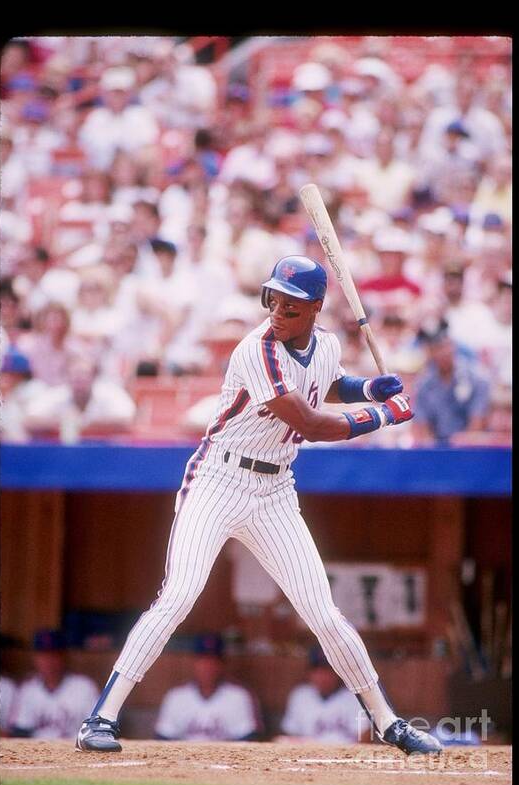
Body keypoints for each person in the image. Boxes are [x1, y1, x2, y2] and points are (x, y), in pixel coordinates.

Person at [76, 255, 442, 756]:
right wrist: (381, 414)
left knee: (323, 612)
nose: (278, 310)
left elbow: (327, 383)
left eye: (291, 304)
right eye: (274, 298)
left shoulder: (328, 343)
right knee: (179, 595)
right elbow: (312, 423)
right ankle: (101, 718)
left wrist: (366, 387)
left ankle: (388, 722)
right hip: (218, 479)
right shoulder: (257, 350)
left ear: (315, 308)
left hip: (274, 489)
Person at [153, 632, 262, 741]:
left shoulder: (238, 696)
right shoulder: (176, 697)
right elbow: (163, 739)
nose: (208, 666)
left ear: (223, 664)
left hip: (225, 757)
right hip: (184, 757)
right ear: (194, 663)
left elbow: (248, 740)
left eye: (213, 660)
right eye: (203, 660)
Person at [412, 318, 491, 445]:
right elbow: (422, 428)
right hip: (436, 452)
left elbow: (477, 425)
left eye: (443, 346)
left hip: (471, 451)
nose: (440, 353)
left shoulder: (477, 378)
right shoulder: (423, 384)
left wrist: (462, 445)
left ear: (452, 345)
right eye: (433, 349)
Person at [10, 629, 99, 739]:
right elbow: (20, 731)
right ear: (35, 658)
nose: (49, 661)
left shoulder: (85, 687)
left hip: (74, 752)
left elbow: (97, 730)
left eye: (54, 655)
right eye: (43, 655)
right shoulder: (28, 690)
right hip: (37, 752)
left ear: (64, 656)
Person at [279, 645, 370, 743]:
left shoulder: (355, 697)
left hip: (346, 755)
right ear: (309, 672)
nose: (322, 676)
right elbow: (290, 734)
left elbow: (365, 739)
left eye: (328, 670)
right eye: (317, 670)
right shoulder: (300, 695)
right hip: (309, 754)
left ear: (339, 672)